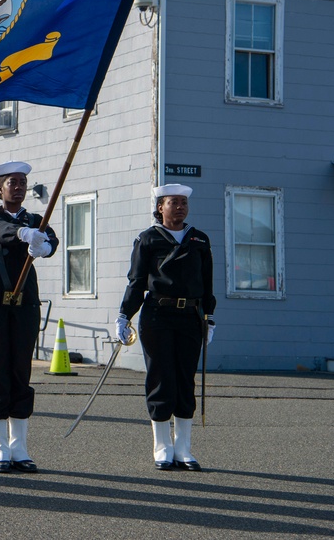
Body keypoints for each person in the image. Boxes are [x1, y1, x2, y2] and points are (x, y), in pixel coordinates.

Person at [116, 183, 216, 471]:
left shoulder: (199, 240)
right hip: (158, 315)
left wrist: (209, 316)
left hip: (190, 317)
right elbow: (136, 281)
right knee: (161, 378)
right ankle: (162, 447)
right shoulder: (148, 239)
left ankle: (184, 448)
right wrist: (125, 315)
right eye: (174, 202)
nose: (180, 206)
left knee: (185, 379)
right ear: (160, 207)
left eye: (184, 202)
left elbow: (207, 282)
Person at [0, 161, 59, 474]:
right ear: (0, 188)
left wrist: (45, 246)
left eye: (23, 181)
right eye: (12, 181)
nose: (19, 186)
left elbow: (52, 240)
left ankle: (19, 447)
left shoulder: (37, 218)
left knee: (21, 371)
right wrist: (23, 234)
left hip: (25, 302)